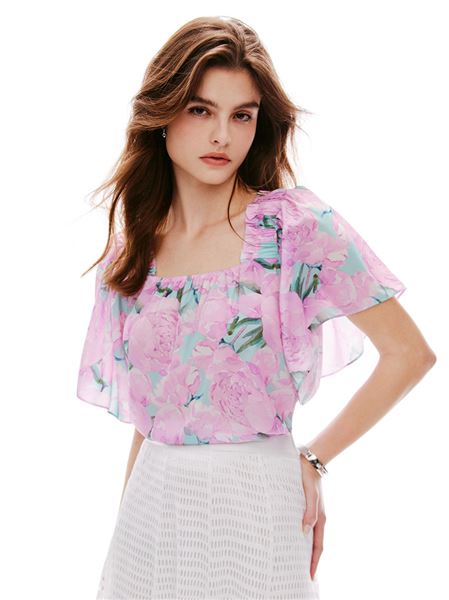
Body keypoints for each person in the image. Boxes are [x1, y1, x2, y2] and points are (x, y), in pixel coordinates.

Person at [76, 15, 436, 600]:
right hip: (151, 514)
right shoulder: (133, 251)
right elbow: (151, 420)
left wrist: (314, 460)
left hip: (257, 506)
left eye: (241, 115)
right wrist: (121, 543)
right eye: (200, 110)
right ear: (162, 114)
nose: (222, 135)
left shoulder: (294, 230)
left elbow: (409, 355)